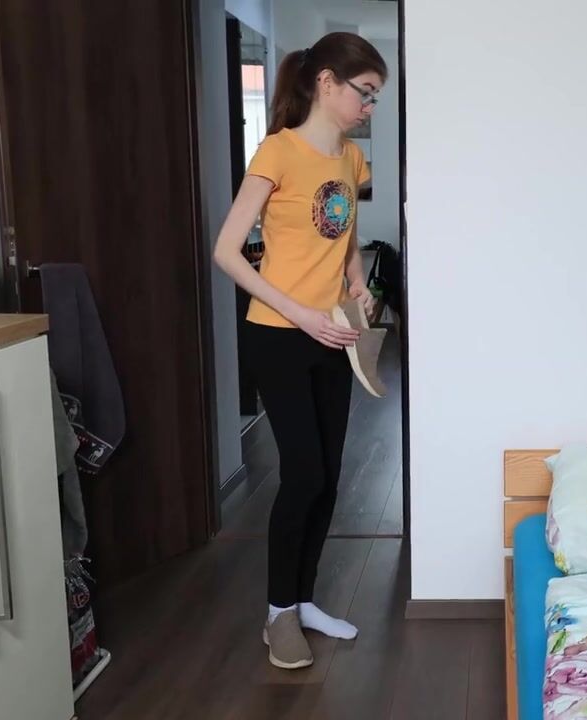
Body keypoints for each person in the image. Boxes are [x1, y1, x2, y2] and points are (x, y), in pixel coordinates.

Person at [212, 32, 386, 670]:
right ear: (327, 83)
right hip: (279, 335)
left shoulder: (351, 159)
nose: (369, 106)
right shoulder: (278, 152)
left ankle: (304, 600)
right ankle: (278, 614)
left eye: (375, 96)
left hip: (332, 334)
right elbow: (226, 251)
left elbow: (346, 239)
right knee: (304, 473)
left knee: (329, 475)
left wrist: (358, 284)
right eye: (365, 92)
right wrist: (301, 313)